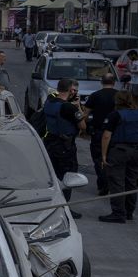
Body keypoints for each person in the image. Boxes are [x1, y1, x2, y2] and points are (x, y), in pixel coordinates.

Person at [99, 91, 138, 223]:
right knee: (131, 183)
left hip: (119, 151)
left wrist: (103, 155)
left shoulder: (115, 115)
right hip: (137, 151)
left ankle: (118, 213)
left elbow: (106, 136)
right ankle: (129, 212)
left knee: (117, 182)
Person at [42, 78, 86, 211]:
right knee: (68, 176)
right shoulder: (68, 107)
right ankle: (64, 207)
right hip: (64, 147)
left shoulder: (49, 101)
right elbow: (83, 126)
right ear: (71, 90)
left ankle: (51, 203)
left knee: (52, 175)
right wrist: (77, 106)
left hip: (50, 142)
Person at [85, 75, 120, 196]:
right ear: (114, 82)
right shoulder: (119, 95)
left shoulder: (95, 95)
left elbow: (86, 113)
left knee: (99, 159)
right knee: (113, 159)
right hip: (116, 133)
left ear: (101, 82)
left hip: (99, 131)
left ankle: (103, 184)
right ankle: (112, 183)